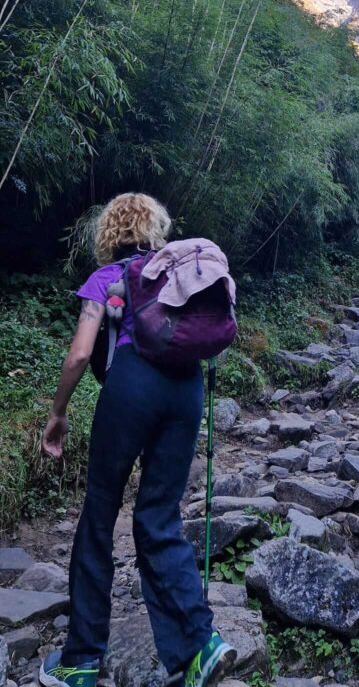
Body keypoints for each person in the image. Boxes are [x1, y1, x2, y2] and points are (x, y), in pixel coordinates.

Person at [39, 193, 236, 687]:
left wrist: (58, 413)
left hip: (131, 389)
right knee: (159, 517)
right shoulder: (172, 273)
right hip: (185, 390)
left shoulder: (106, 279)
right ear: (156, 228)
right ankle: (200, 645)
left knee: (99, 515)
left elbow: (81, 354)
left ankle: (80, 660)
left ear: (108, 233)